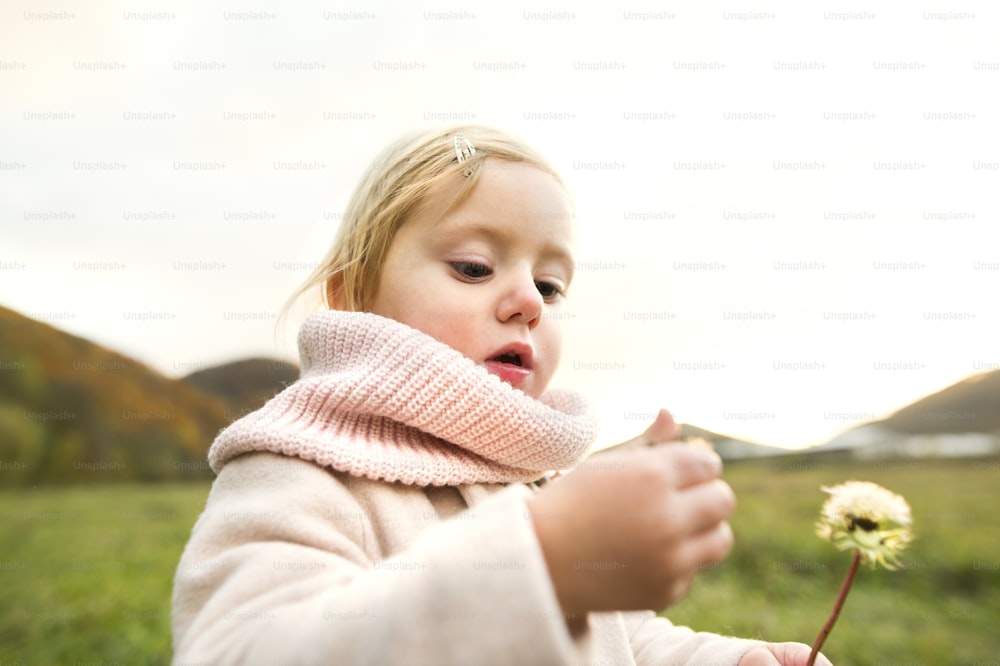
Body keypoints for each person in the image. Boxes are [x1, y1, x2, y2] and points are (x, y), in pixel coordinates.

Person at [171, 126, 830, 665]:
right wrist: (540, 561)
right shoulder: (300, 469)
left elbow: (618, 640)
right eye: (474, 268)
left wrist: (725, 663)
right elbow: (240, 650)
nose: (526, 303)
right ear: (354, 295)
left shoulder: (528, 485)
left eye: (550, 286)